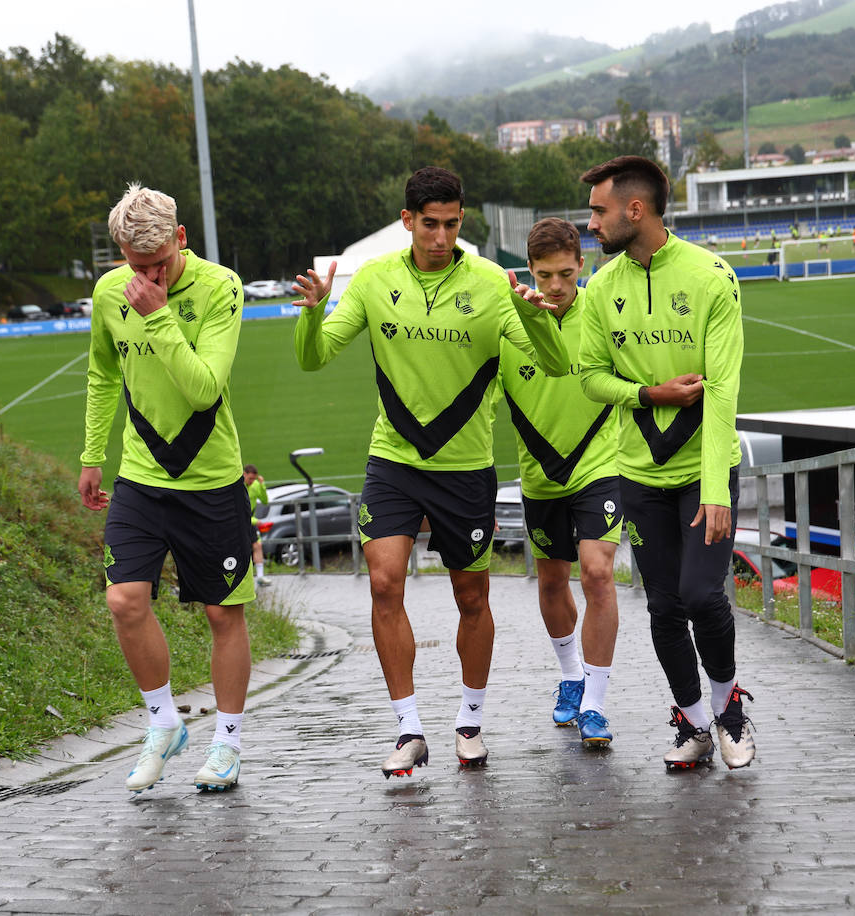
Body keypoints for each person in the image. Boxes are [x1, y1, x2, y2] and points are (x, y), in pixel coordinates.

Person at [292, 166, 569, 777]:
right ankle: (409, 728)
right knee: (384, 582)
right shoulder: (374, 279)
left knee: (471, 594)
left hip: (466, 468)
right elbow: (313, 358)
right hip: (393, 459)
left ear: (460, 220)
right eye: (430, 224)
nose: (441, 237)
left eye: (451, 224)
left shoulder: (494, 285)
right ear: (407, 221)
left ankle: (468, 722)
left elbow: (552, 363)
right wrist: (312, 312)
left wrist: (535, 314)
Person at [574, 155, 755, 771]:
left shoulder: (712, 276)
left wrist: (716, 490)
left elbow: (723, 389)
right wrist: (648, 394)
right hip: (640, 476)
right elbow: (590, 377)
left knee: (702, 595)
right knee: (662, 607)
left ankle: (729, 707)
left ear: (635, 209)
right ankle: (695, 721)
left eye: (598, 210)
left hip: (705, 472)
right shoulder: (600, 287)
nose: (589, 222)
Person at [78, 183, 255, 794]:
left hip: (210, 480)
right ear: (120, 254)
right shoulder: (108, 293)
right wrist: (91, 454)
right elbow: (103, 373)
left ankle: (227, 745)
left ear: (181, 238)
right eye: (136, 266)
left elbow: (204, 388)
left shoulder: (220, 287)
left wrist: (157, 317)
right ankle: (163, 724)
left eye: (159, 265)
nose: (148, 277)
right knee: (124, 600)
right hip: (141, 478)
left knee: (221, 613)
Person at [496, 217, 622, 748]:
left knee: (597, 574)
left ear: (582, 267)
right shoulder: (509, 318)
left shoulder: (602, 310)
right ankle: (570, 675)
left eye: (566, 273)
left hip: (600, 464)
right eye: (544, 274)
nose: (554, 286)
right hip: (540, 475)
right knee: (552, 582)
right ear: (530, 270)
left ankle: (594, 702)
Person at [244, 464, 272, 586]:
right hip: (239, 522)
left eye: (254, 479)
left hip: (250, 521)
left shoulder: (255, 485)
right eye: (250, 478)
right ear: (244, 474)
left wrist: (262, 485)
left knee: (257, 545)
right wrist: (255, 521)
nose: (252, 481)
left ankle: (260, 577)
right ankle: (244, 579)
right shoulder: (238, 487)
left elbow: (265, 501)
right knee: (243, 550)